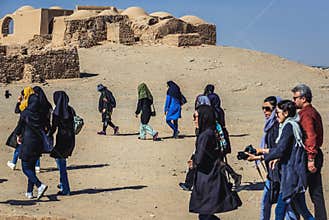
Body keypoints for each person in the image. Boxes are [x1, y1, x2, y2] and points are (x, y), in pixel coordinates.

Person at [248, 100, 314, 220]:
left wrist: (260, 157)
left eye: (277, 112)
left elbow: (280, 150)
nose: (276, 115)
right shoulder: (293, 125)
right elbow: (283, 149)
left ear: (286, 113)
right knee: (303, 210)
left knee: (280, 210)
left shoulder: (289, 127)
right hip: (295, 174)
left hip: (291, 175)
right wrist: (262, 152)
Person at [189, 104, 237, 220]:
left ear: (203, 117)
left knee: (204, 212)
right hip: (212, 175)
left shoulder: (205, 135)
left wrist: (194, 162)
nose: (194, 120)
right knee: (206, 212)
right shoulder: (211, 131)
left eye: (196, 117)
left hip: (207, 177)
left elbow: (200, 158)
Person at [291, 84, 327, 220]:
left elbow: (311, 136)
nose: (294, 101)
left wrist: (310, 159)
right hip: (315, 154)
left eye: (296, 98)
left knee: (297, 192)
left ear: (304, 98)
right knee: (316, 192)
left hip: (309, 156)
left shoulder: (306, 115)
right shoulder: (313, 112)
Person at [14, 94, 47, 200]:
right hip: (38, 144)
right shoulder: (41, 114)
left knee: (25, 168)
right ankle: (29, 192)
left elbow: (19, 127)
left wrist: (18, 136)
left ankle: (39, 185)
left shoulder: (25, 113)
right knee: (31, 167)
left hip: (28, 143)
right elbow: (46, 128)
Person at [7, 87, 40, 172]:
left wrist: (19, 101)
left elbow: (17, 110)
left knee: (19, 146)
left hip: (24, 129)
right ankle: (37, 166)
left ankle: (13, 163)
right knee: (35, 148)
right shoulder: (37, 104)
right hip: (35, 129)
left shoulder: (25, 104)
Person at [48, 91, 76, 196]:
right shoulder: (70, 110)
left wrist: (47, 135)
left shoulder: (57, 112)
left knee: (62, 165)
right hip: (71, 139)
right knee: (61, 162)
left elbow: (54, 128)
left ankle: (66, 189)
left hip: (62, 140)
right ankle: (62, 184)